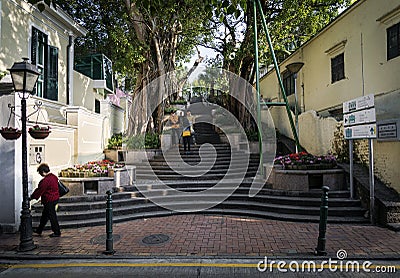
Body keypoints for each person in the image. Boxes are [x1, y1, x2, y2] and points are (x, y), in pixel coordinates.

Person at [30, 163, 61, 237]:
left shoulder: (45, 181)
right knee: (45, 216)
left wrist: (32, 197)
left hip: (49, 200)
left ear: (43, 172)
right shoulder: (54, 177)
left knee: (52, 216)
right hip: (55, 198)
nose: (40, 174)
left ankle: (57, 232)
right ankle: (39, 230)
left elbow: (40, 190)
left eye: (40, 173)